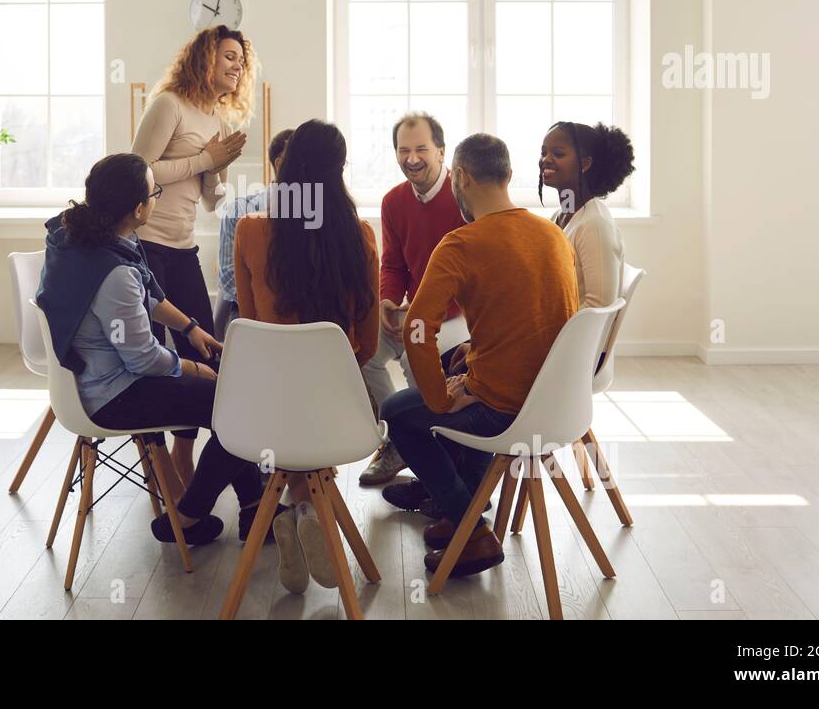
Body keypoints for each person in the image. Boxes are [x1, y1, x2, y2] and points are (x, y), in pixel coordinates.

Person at [35, 153, 263, 546]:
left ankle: (256, 509)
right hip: (115, 395)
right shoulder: (114, 272)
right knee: (239, 407)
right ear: (139, 208)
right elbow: (141, 357)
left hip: (91, 380)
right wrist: (193, 369)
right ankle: (192, 516)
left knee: (232, 400)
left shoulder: (79, 238)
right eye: (155, 192)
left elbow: (150, 295)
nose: (157, 198)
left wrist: (190, 329)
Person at [379, 134, 578, 579]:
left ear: (461, 176)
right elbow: (545, 317)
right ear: (508, 175)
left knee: (397, 412)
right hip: (555, 403)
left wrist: (441, 398)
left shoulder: (461, 243)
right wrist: (470, 362)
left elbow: (415, 333)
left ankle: (469, 527)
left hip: (503, 410)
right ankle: (461, 508)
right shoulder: (553, 234)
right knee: (455, 361)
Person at [233, 119, 380, 594]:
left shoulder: (250, 231)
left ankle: (298, 510)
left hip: (268, 413)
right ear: (339, 171)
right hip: (338, 410)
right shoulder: (360, 237)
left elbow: (250, 329)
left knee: (288, 405)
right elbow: (369, 344)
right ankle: (310, 511)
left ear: (286, 166)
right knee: (311, 416)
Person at [130, 25, 255, 487]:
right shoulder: (169, 104)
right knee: (154, 357)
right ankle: (165, 463)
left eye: (241, 59)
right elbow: (137, 171)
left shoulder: (215, 118)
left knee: (205, 351)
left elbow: (210, 200)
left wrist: (216, 170)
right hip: (145, 247)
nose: (237, 65)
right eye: (228, 56)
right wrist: (205, 160)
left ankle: (186, 452)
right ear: (204, 58)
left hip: (182, 247)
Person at [359, 112, 467, 487]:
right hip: (412, 310)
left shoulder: (464, 199)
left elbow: (472, 276)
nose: (412, 158)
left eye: (422, 149)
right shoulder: (393, 202)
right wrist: (388, 301)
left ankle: (425, 445)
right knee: (366, 353)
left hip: (458, 314)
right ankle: (398, 440)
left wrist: (423, 315)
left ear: (441, 151)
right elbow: (393, 266)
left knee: (412, 356)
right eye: (404, 150)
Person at [539, 121, 636, 309]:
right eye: (544, 153)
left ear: (585, 164)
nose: (546, 160)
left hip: (569, 336)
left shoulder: (595, 225)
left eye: (558, 154)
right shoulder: (563, 214)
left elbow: (599, 305)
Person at [213, 127, 295, 339]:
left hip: (300, 313)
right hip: (247, 312)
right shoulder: (237, 211)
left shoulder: (317, 214)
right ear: (280, 164)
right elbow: (229, 278)